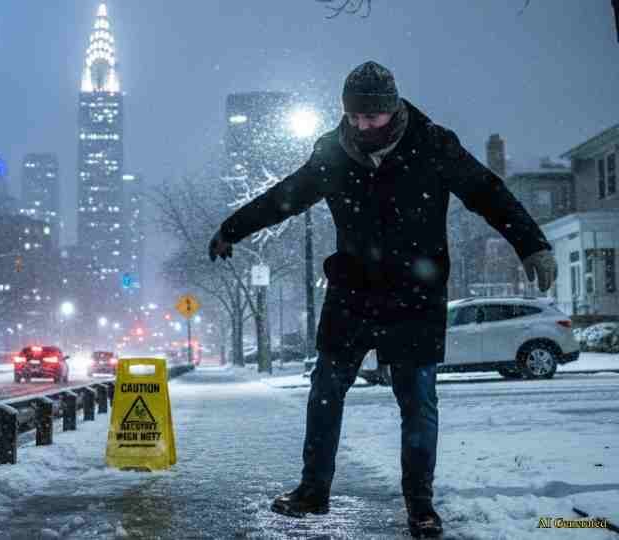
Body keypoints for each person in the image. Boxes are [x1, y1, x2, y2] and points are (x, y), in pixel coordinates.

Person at [208, 61, 556, 539]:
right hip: (352, 293)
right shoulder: (332, 153)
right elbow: (285, 197)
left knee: (417, 402)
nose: (361, 125)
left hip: (415, 295)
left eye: (370, 117)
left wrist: (531, 243)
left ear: (391, 111)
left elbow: (486, 193)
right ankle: (313, 490)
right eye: (353, 116)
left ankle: (420, 505)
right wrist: (233, 229)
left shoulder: (433, 144)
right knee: (325, 390)